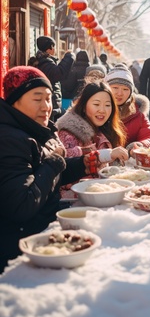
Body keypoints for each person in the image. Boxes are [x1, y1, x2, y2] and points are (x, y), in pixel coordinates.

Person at [0, 66, 93, 273]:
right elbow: (21, 205)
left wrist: (84, 164)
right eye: (37, 98)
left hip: (43, 233)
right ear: (15, 101)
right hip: (21, 253)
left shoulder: (35, 128)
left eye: (49, 98)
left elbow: (42, 175)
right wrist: (55, 162)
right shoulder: (9, 139)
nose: (46, 106)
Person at [57, 82, 129, 197]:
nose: (102, 110)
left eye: (107, 105)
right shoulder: (68, 132)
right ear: (84, 107)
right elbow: (66, 163)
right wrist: (107, 154)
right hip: (75, 201)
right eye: (96, 104)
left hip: (101, 195)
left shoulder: (105, 130)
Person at [105, 64, 150, 156]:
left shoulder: (138, 113)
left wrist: (138, 146)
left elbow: (149, 136)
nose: (120, 93)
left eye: (125, 89)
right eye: (115, 88)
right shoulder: (98, 111)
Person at [35, 35, 74, 121]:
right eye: (54, 47)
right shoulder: (45, 62)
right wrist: (69, 56)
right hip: (50, 103)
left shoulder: (42, 61)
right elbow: (59, 73)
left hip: (51, 102)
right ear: (50, 48)